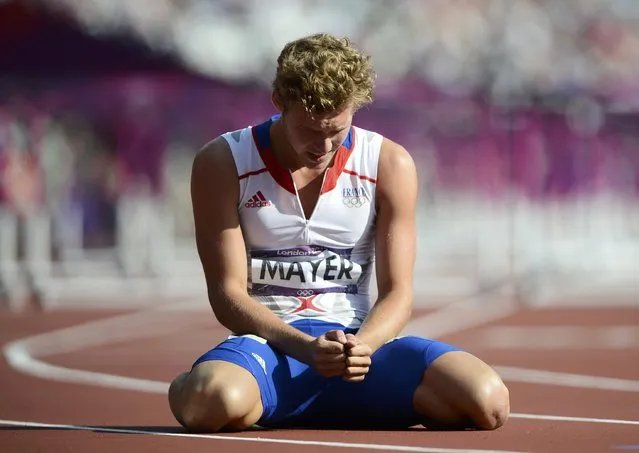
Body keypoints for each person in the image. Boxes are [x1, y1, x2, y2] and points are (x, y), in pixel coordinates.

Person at [168, 33, 510, 432]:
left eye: (338, 129)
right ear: (279, 102)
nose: (325, 145)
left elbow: (399, 292)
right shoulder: (222, 161)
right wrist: (306, 350)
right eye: (310, 130)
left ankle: (344, 397)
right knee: (210, 402)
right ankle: (188, 385)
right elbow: (227, 294)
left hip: (359, 351)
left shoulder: (390, 162)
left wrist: (362, 346)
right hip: (273, 348)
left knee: (488, 402)